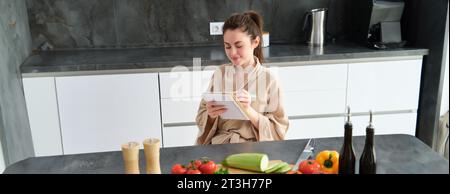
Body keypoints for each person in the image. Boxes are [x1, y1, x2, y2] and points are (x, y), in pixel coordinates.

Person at [195, 10, 289, 144]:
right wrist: (210, 115)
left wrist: (248, 110)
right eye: (227, 46)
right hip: (218, 146)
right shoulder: (220, 74)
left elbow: (279, 129)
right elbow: (201, 117)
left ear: (255, 42)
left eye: (239, 46)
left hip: (253, 150)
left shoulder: (269, 80)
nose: (233, 53)